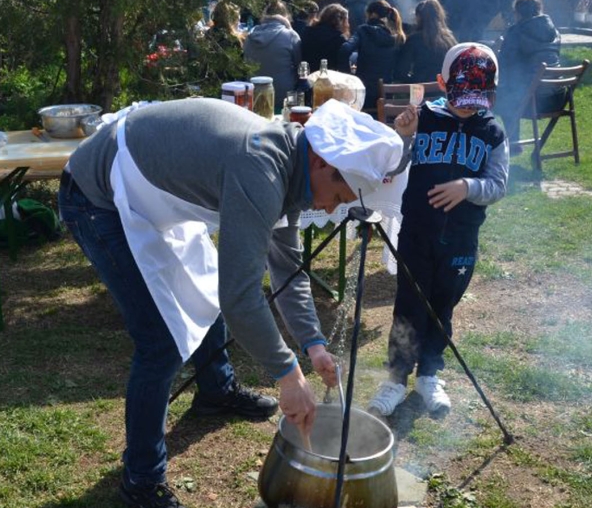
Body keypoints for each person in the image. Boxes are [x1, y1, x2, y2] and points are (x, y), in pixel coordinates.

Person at [59, 98, 404, 508]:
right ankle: (140, 481)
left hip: (154, 193)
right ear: (320, 162)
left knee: (203, 293)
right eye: (337, 193)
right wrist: (288, 375)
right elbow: (240, 297)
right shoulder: (260, 169)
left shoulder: (290, 168)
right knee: (160, 343)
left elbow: (286, 270)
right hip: (97, 196)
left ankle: (216, 391)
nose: (330, 207)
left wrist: (313, 344)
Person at [368, 43, 509, 418]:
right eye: (461, 97)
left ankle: (430, 374)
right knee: (409, 306)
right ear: (441, 83)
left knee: (442, 306)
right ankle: (396, 378)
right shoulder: (424, 118)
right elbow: (392, 169)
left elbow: (498, 184)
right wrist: (403, 136)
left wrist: (467, 188)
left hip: (461, 240)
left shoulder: (492, 131)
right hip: (417, 233)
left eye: (477, 99)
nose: (468, 106)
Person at [496, 0, 561, 150]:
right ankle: (513, 143)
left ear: (517, 13)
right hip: (555, 98)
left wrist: (497, 50)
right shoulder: (554, 33)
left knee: (490, 96)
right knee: (511, 88)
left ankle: (505, 145)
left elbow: (503, 66)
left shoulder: (516, 33)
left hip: (529, 101)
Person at [340, 0, 405, 114]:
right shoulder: (397, 37)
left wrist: (349, 76)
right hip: (387, 93)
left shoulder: (363, 30)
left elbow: (345, 49)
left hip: (364, 92)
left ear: (373, 14)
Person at [244, 0, 302, 109]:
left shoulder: (250, 35)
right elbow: (299, 66)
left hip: (254, 94)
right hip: (285, 96)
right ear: (286, 16)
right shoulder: (290, 35)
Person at [394, 0, 457, 83]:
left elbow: (400, 73)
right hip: (444, 92)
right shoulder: (449, 39)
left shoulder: (414, 40)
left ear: (419, 17)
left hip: (422, 93)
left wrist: (415, 81)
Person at [300, 3, 351, 73]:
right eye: (347, 20)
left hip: (306, 77)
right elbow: (343, 68)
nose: (348, 25)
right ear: (341, 21)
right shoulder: (339, 40)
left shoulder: (307, 31)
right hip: (326, 80)